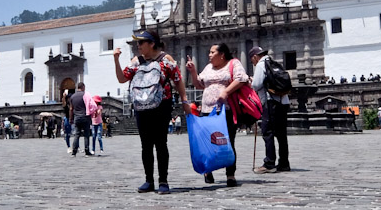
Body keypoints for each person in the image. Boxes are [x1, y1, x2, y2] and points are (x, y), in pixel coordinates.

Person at [114, 29, 190, 194]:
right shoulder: (136, 61)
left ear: (152, 43)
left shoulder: (166, 60)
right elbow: (122, 78)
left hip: (162, 105)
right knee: (146, 145)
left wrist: (184, 101)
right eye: (137, 43)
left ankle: (163, 181)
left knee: (161, 143)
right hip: (141, 107)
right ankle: (149, 180)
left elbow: (178, 81)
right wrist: (116, 59)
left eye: (141, 43)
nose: (138, 46)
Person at [186, 43, 248, 187]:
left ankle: (230, 174)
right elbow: (199, 85)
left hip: (225, 109)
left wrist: (226, 92)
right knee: (207, 141)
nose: (209, 55)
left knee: (227, 140)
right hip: (207, 109)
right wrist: (193, 71)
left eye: (212, 52)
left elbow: (242, 78)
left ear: (222, 55)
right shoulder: (208, 68)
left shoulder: (233, 63)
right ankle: (208, 171)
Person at [249, 46, 291, 174]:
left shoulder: (262, 65)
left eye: (252, 60)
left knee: (268, 132)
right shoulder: (274, 63)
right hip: (283, 101)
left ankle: (269, 163)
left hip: (270, 102)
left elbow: (256, 85)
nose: (253, 63)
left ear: (255, 57)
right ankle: (284, 163)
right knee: (281, 134)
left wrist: (251, 81)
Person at [69, 82, 96, 157]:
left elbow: (71, 109)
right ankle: (87, 151)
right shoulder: (85, 95)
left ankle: (74, 152)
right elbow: (90, 105)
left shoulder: (73, 97)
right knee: (86, 134)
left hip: (76, 117)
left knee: (77, 134)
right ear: (83, 87)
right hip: (85, 116)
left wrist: (70, 118)